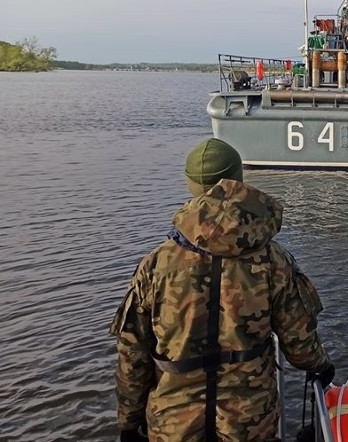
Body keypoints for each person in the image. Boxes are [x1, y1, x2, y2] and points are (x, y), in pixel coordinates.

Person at [109, 138, 334, 442]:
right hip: (249, 422)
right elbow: (299, 342)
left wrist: (128, 422)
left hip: (174, 424)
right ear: (238, 178)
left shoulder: (156, 265)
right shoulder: (274, 261)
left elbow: (132, 355)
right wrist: (321, 365)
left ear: (191, 186)